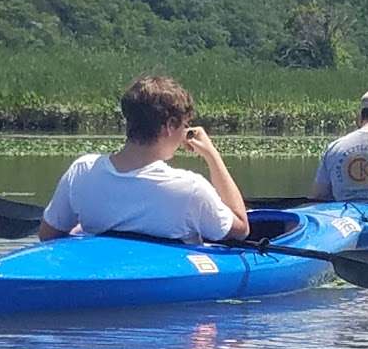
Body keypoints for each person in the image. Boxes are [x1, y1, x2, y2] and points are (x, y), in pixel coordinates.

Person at [39, 75, 250, 242]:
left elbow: (48, 235)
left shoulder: (82, 171)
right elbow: (241, 229)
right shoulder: (190, 188)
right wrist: (212, 155)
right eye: (185, 126)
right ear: (169, 126)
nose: (185, 132)